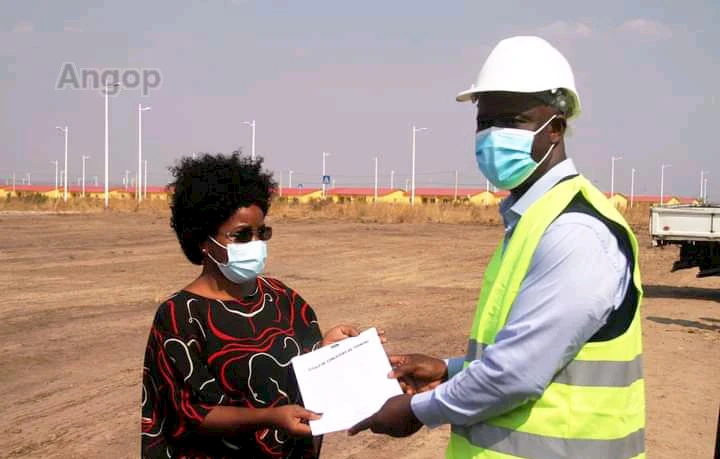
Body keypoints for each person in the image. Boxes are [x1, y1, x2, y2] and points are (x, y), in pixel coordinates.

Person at [349, 36, 646, 459]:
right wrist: (449, 368)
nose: (493, 135)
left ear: (556, 127)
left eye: (513, 119)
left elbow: (516, 374)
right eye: (485, 122)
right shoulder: (534, 220)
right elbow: (531, 350)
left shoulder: (576, 231)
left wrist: (415, 410)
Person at [141, 152, 358, 458]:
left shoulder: (284, 299)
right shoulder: (180, 316)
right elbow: (189, 413)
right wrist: (268, 418)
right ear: (203, 240)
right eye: (242, 235)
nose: (256, 243)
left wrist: (328, 349)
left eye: (262, 232)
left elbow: (303, 374)